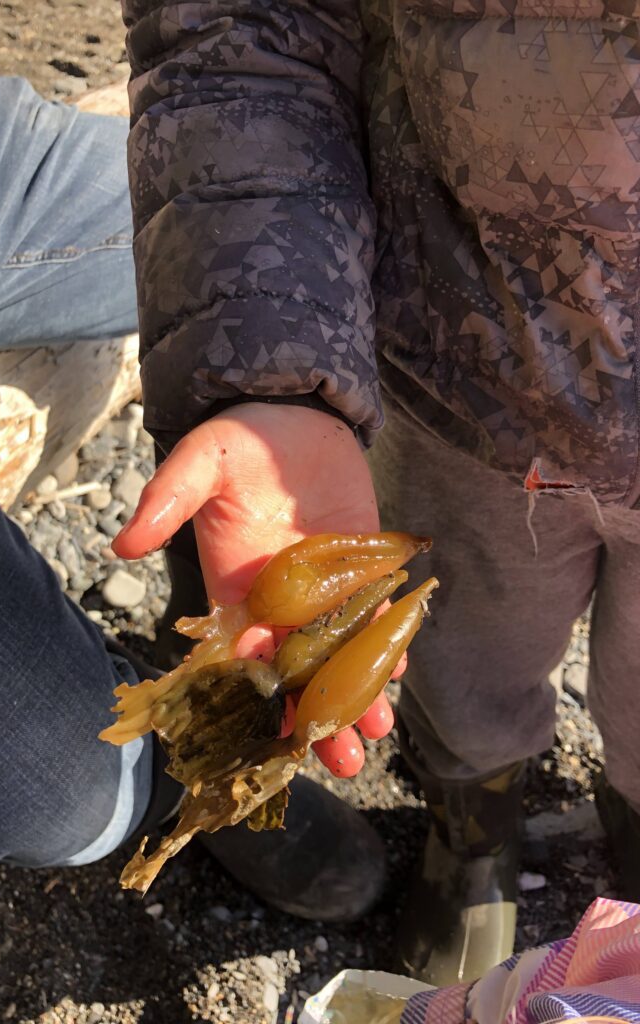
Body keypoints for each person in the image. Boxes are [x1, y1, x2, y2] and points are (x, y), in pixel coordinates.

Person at [108, 0, 640, 988]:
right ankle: (473, 826)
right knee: (463, 655)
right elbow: (244, 30)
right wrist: (272, 370)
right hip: (463, 372)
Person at [0, 0, 394, 926]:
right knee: (59, 800)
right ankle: (169, 778)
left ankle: (213, 659)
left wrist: (273, 385)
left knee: (353, 256)